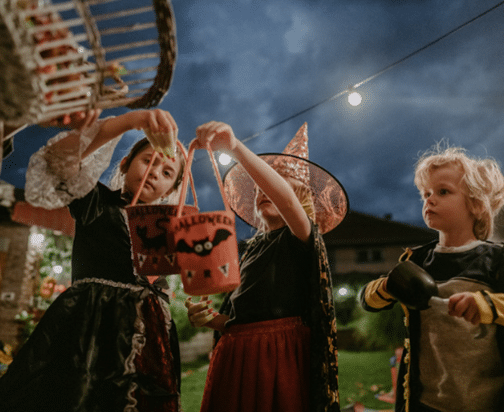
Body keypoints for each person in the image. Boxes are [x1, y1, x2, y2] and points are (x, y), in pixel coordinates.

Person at [360, 145, 504, 412]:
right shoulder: (415, 261)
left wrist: (489, 306)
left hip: (494, 403)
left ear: (475, 203)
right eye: (425, 194)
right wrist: (386, 286)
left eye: (443, 191)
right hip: (427, 404)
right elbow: (368, 301)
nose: (429, 200)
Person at [0, 108, 185, 412]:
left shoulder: (163, 231)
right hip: (91, 328)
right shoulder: (95, 201)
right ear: (125, 165)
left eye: (167, 173)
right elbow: (59, 162)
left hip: (148, 335)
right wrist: (131, 121)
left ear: (172, 190)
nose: (154, 171)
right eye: (148, 160)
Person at [185, 121, 348, 412]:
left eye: (275, 183)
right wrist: (209, 318)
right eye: (258, 188)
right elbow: (236, 320)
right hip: (236, 356)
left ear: (304, 201)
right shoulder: (250, 250)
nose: (262, 190)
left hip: (277, 357)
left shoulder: (301, 237)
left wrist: (236, 148)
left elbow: (284, 198)